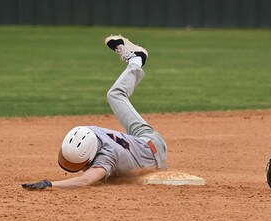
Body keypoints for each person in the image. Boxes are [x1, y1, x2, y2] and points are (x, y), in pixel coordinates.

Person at [21, 35, 167, 190]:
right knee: (115, 95)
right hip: (145, 139)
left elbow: (85, 181)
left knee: (115, 96)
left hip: (155, 160)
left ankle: (136, 60)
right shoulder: (86, 132)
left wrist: (49, 184)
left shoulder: (106, 157)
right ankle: (136, 60)